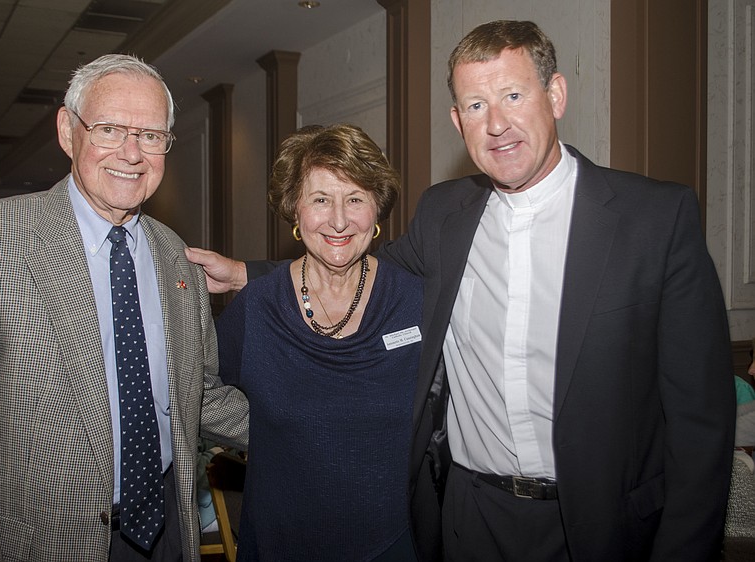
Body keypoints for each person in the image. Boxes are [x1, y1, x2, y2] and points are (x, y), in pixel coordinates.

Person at [187, 20, 735, 562]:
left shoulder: (655, 219)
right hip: (468, 519)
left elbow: (701, 424)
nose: (496, 124)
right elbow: (355, 266)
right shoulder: (445, 215)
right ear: (457, 120)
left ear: (556, 94)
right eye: (475, 106)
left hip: (599, 524)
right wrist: (246, 275)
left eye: (513, 95)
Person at [0, 54, 248, 562]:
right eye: (110, 129)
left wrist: (318, 424)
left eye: (151, 136)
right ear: (68, 131)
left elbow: (198, 394)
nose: (132, 153)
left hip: (166, 536)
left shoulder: (176, 253)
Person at [214, 123, 422, 561]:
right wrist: (271, 431)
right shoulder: (256, 309)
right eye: (321, 199)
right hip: (279, 544)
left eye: (355, 199)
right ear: (294, 210)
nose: (340, 220)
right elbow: (195, 392)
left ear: (378, 209)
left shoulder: (417, 302)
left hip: (395, 545)